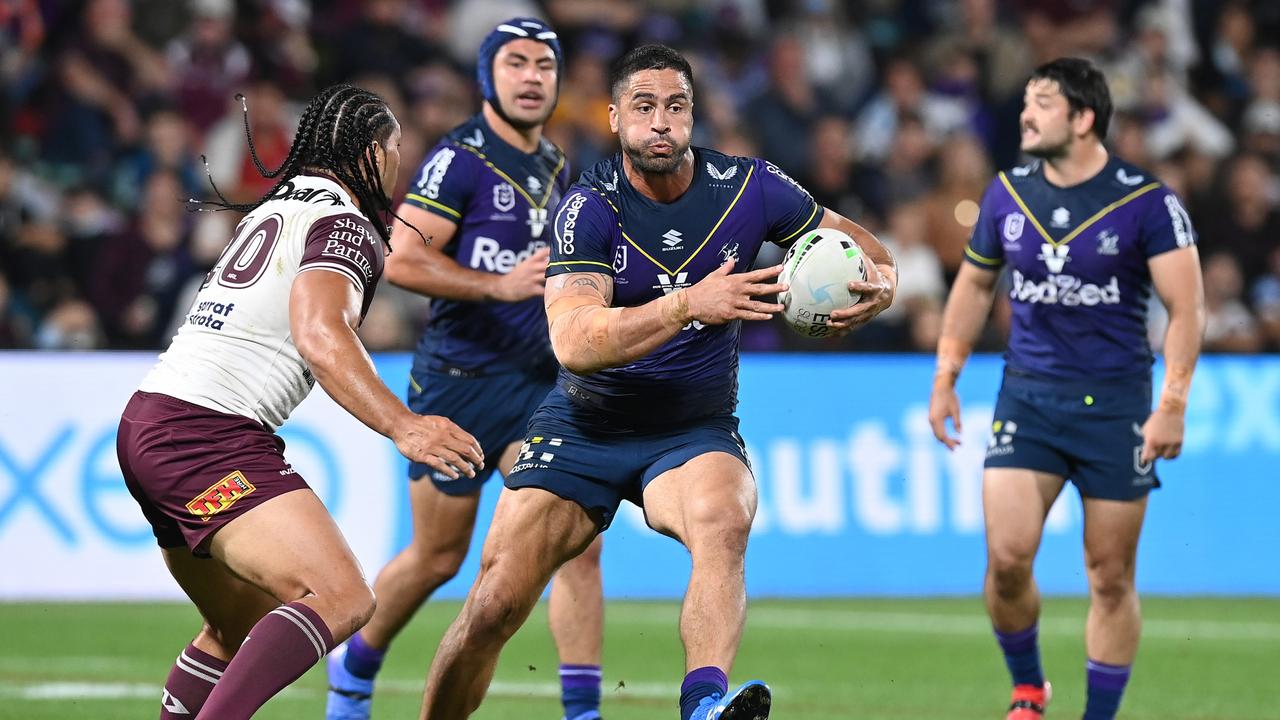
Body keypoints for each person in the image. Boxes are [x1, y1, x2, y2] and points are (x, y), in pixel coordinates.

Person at [418, 44, 897, 720]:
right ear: (615, 119)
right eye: (644, 107)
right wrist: (685, 304)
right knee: (493, 607)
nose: (661, 122)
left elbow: (869, 251)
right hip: (585, 427)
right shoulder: (589, 208)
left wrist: (881, 288)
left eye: (675, 106)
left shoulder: (751, 187)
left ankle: (703, 706)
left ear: (693, 115)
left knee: (724, 520)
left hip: (689, 430)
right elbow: (573, 342)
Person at [116, 83, 483, 720]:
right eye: (396, 150)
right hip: (207, 435)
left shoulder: (276, 209)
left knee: (237, 630)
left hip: (152, 419)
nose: (399, 165)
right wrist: (404, 426)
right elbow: (322, 333)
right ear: (372, 153)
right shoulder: (346, 227)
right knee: (339, 595)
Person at [324, 18, 607, 720]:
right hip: (459, 382)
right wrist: (497, 285)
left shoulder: (556, 164)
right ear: (489, 77)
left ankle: (584, 713)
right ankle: (353, 676)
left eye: (546, 64)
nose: (533, 76)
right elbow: (404, 257)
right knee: (437, 557)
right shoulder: (461, 160)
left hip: (540, 387)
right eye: (516, 63)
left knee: (576, 545)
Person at [928, 58, 1204, 720]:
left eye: (1043, 103)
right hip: (1028, 397)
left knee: (1109, 577)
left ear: (1083, 119)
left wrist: (1172, 404)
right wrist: (945, 376)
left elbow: (1188, 308)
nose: (1025, 114)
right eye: (1026, 101)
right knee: (1008, 560)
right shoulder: (1007, 193)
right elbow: (973, 284)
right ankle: (1029, 688)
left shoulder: (1147, 202)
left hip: (1117, 408)